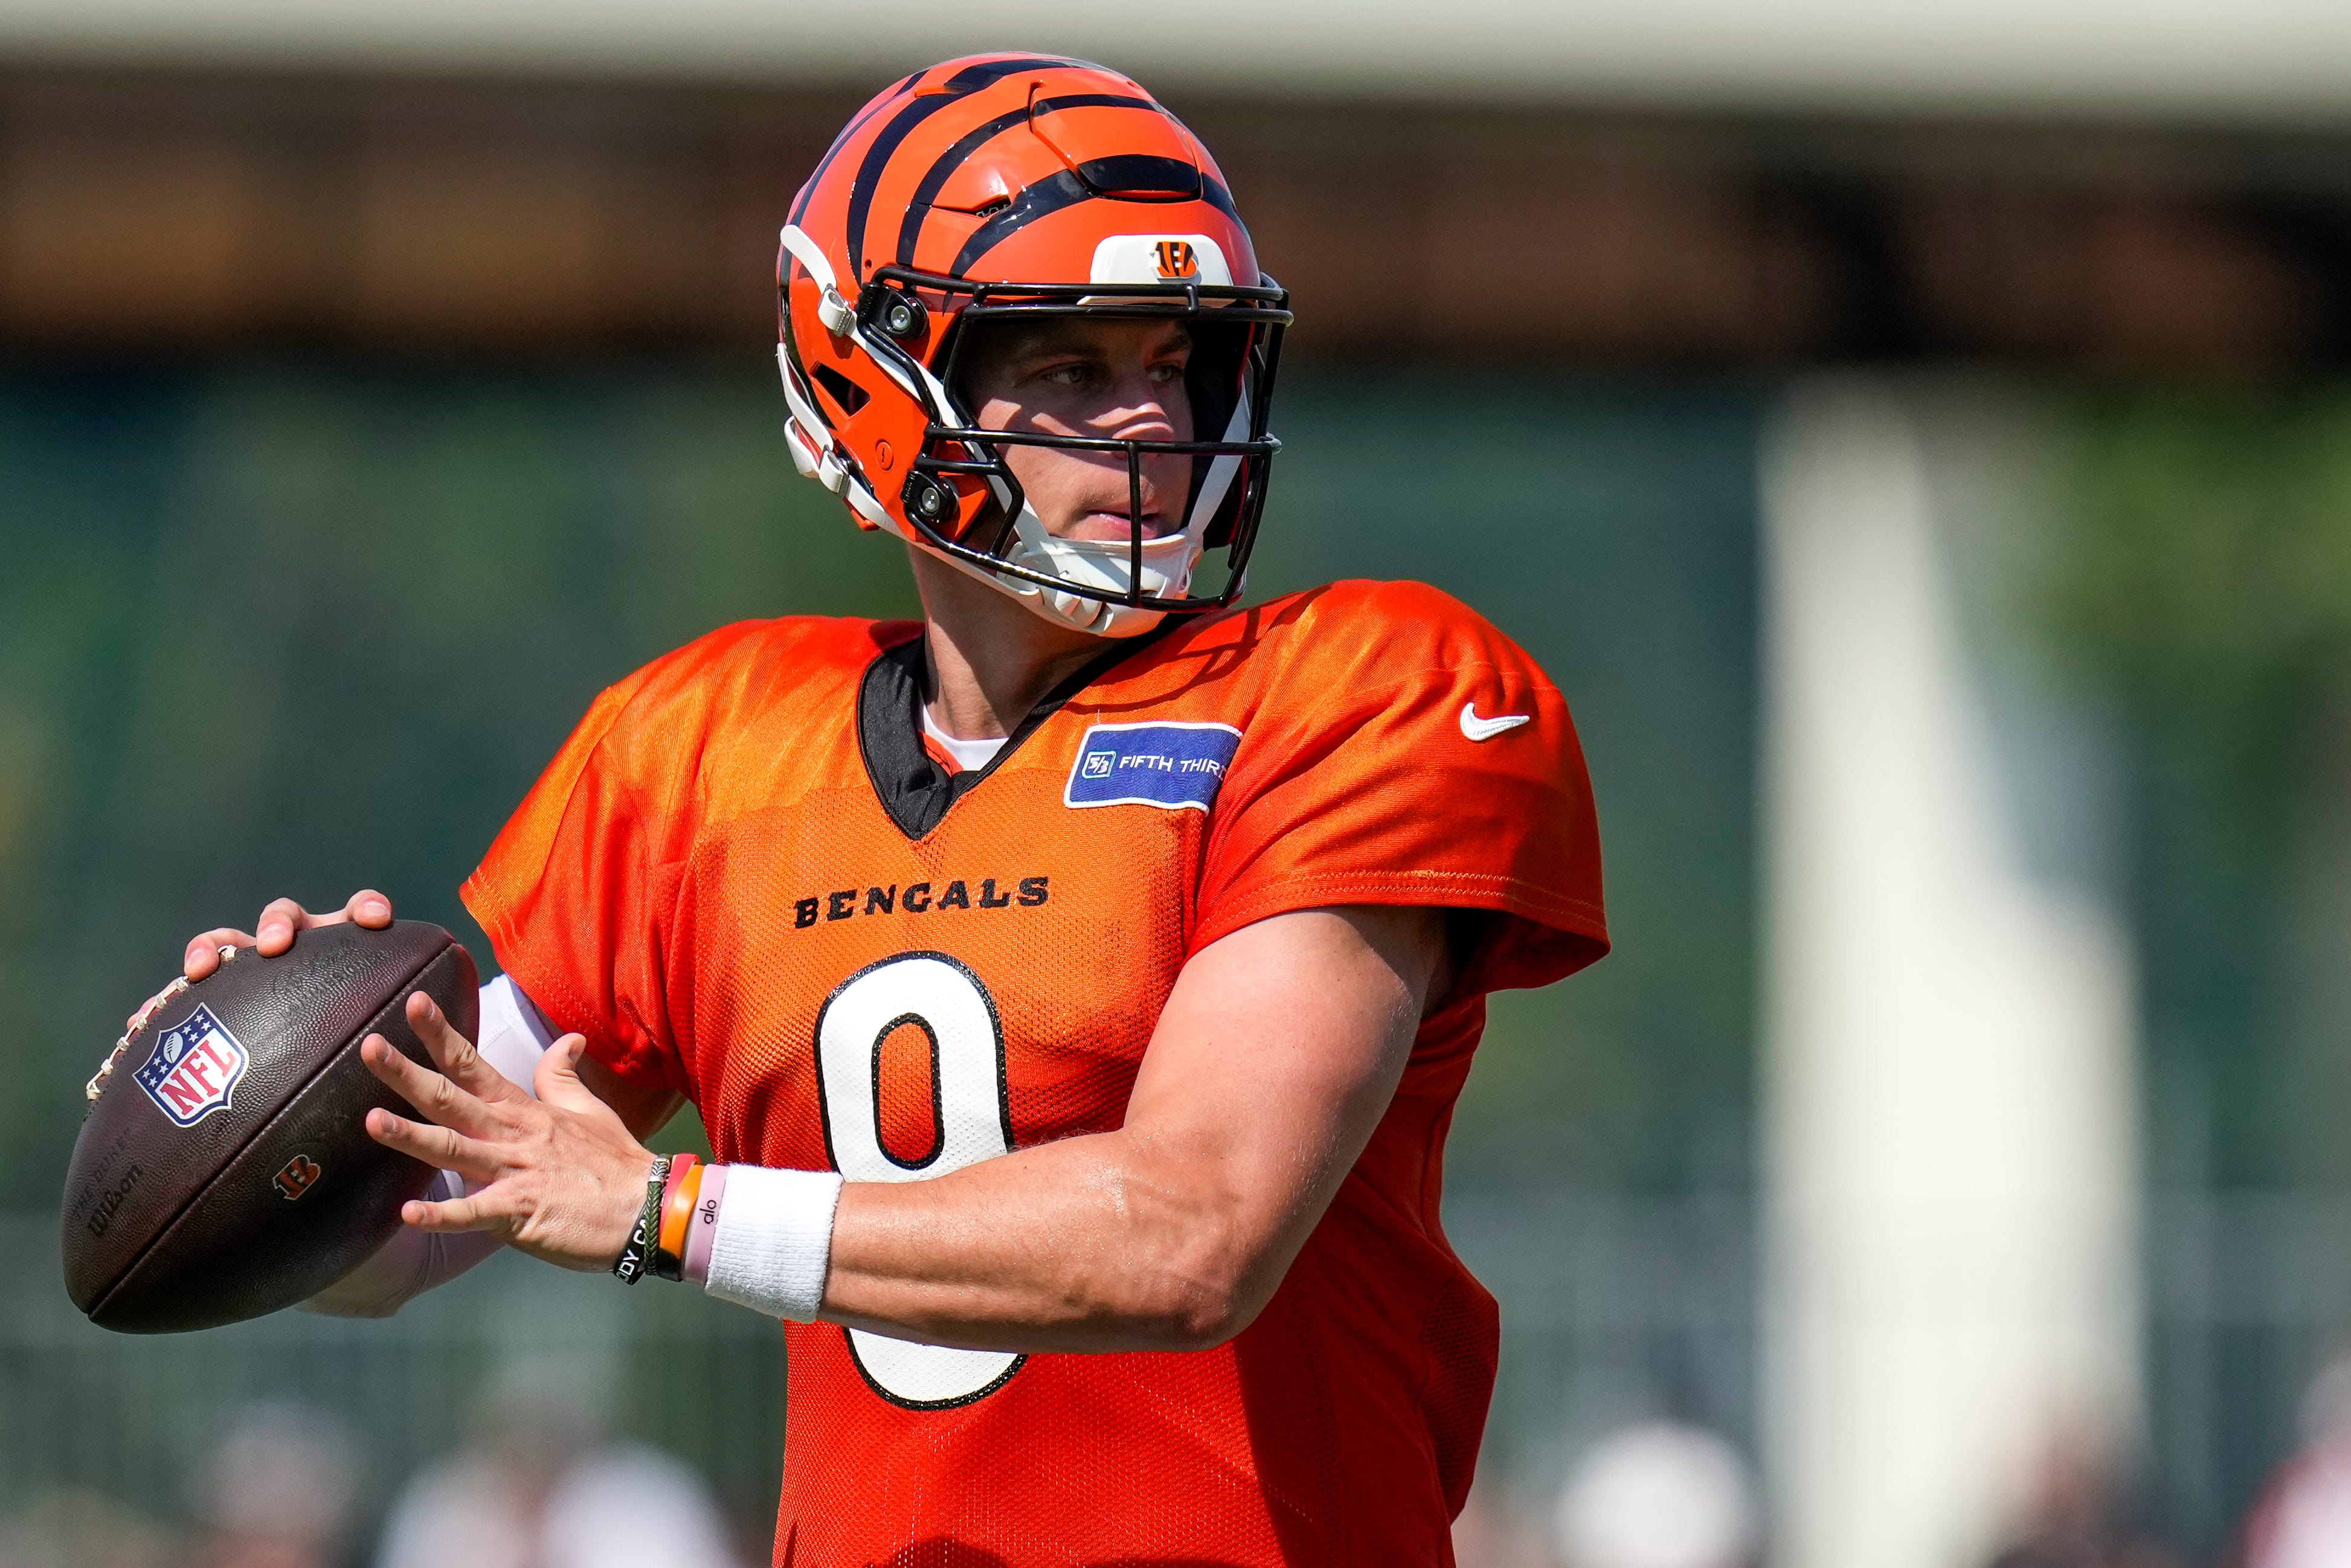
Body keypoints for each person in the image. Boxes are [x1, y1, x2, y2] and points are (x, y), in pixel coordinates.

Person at [178, 54, 1607, 1566]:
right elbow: (426, 1217)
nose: (1145, 419)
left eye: (1173, 360)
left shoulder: (1354, 690)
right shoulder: (709, 749)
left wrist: (673, 1211)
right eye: (1065, 366)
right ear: (867, 380)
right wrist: (266, 1094)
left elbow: (1194, 1231)